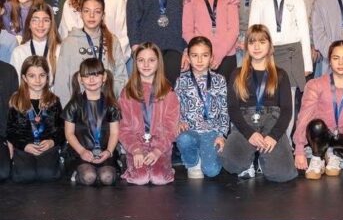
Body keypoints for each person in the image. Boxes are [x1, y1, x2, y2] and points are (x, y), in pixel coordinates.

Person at [221, 24, 297, 182]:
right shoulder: (237, 74)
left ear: (270, 46)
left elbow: (287, 110)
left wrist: (273, 136)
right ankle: (249, 158)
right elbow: (233, 108)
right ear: (246, 46)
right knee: (230, 164)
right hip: (245, 122)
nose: (257, 47)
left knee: (283, 174)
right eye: (252, 42)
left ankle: (263, 158)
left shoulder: (280, 74)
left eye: (262, 42)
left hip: (271, 121)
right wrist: (249, 134)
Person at [249, 0, 312, 130]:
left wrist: (307, 64)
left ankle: (286, 141)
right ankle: (266, 136)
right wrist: (252, 61)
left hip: (292, 54)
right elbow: (252, 34)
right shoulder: (259, 0)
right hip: (266, 55)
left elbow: (304, 32)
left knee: (288, 101)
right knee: (267, 99)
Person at [293, 40, 343, 179]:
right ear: (329, 60)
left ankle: (333, 153)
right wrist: (299, 150)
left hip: (340, 136)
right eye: (336, 58)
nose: (340, 63)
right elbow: (304, 117)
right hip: (319, 133)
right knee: (316, 125)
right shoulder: (315, 85)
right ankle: (317, 156)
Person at [119, 42, 178, 185]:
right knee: (140, 179)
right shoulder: (127, 93)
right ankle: (131, 164)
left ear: (158, 63)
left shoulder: (168, 93)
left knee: (159, 179)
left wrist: (158, 151)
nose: (146, 64)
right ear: (135, 63)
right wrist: (135, 150)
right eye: (141, 60)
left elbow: (171, 128)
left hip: (160, 147)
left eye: (151, 60)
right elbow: (123, 128)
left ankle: (166, 167)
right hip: (136, 146)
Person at [54, 0, 128, 106]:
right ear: (81, 14)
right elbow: (61, 82)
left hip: (106, 106)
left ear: (103, 15)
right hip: (78, 109)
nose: (91, 15)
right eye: (86, 11)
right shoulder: (69, 42)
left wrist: (107, 97)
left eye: (97, 12)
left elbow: (121, 77)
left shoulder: (113, 41)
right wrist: (67, 111)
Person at [175, 36, 229, 179]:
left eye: (204, 55)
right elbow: (176, 106)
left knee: (212, 171)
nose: (199, 60)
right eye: (195, 55)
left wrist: (221, 134)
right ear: (188, 58)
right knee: (184, 139)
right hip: (190, 130)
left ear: (211, 58)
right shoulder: (181, 81)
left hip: (212, 132)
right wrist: (179, 121)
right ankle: (193, 162)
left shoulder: (219, 80)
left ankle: (207, 154)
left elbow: (224, 110)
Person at [63, 57, 121, 186]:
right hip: (81, 152)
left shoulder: (111, 104)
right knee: (89, 176)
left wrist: (109, 151)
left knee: (107, 177)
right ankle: (77, 172)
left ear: (104, 77)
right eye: (87, 76)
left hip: (105, 152)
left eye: (96, 75)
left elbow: (114, 133)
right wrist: (82, 151)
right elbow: (69, 134)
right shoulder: (74, 104)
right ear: (80, 79)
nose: (91, 80)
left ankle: (110, 167)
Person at [182, 0, 239, 81]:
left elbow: (233, 31)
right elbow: (187, 32)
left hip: (226, 56)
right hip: (200, 58)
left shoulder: (230, 0)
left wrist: (218, 54)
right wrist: (203, 53)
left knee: (226, 92)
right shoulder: (191, 0)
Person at [6, 56, 64, 183]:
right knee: (26, 175)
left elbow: (62, 128)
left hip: (47, 147)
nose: (37, 80)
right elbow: (10, 131)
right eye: (32, 76)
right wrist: (24, 146)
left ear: (47, 77)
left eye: (42, 75)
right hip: (24, 147)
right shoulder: (16, 101)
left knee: (47, 174)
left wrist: (52, 142)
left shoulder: (54, 101)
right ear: (24, 78)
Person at [11, 3, 61, 84]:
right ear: (29, 24)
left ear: (51, 24)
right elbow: (17, 85)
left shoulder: (60, 50)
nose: (40, 25)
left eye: (46, 20)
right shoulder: (19, 52)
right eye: (35, 20)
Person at [0, 58, 19, 181]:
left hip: (1, 135)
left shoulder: (8, 71)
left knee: (3, 172)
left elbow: (13, 111)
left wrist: (10, 138)